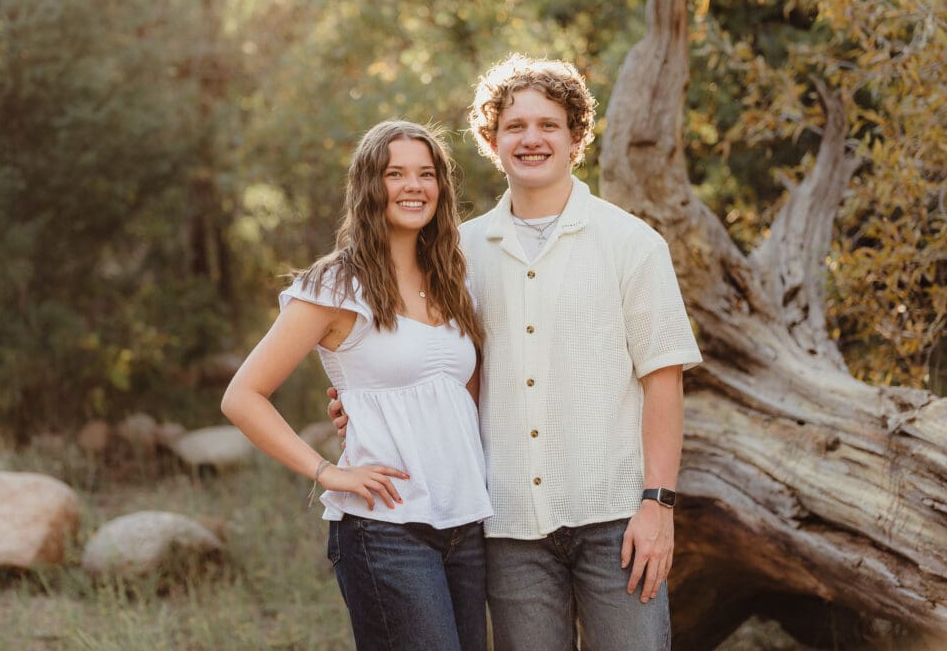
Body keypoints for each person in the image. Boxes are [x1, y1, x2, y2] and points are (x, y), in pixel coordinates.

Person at [330, 56, 702, 651]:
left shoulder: (632, 243)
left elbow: (664, 380)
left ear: (577, 137)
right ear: (491, 139)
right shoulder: (458, 252)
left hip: (615, 519)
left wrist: (658, 504)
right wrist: (364, 404)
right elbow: (432, 366)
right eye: (515, 126)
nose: (531, 139)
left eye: (549, 125)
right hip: (506, 527)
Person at [221, 119, 491, 651]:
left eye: (427, 174)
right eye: (396, 174)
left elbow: (463, 394)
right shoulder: (335, 285)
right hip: (388, 531)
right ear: (370, 187)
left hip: (465, 522)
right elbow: (242, 397)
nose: (414, 186)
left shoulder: (454, 279)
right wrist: (327, 472)